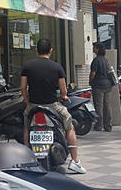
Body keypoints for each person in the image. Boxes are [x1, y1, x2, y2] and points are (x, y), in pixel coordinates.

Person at [21, 38, 86, 174]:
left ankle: (27, 159)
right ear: (50, 51)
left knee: (27, 126)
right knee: (69, 126)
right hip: (52, 106)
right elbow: (63, 91)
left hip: (33, 105)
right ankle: (75, 161)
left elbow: (23, 88)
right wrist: (63, 97)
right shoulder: (57, 67)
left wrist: (27, 102)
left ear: (36, 50)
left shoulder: (28, 66)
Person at [89, 42, 113, 132]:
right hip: (107, 85)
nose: (93, 49)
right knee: (107, 106)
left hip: (98, 85)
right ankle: (108, 125)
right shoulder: (105, 60)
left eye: (94, 47)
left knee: (99, 106)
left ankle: (99, 125)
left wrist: (90, 81)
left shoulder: (96, 60)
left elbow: (93, 73)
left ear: (97, 49)